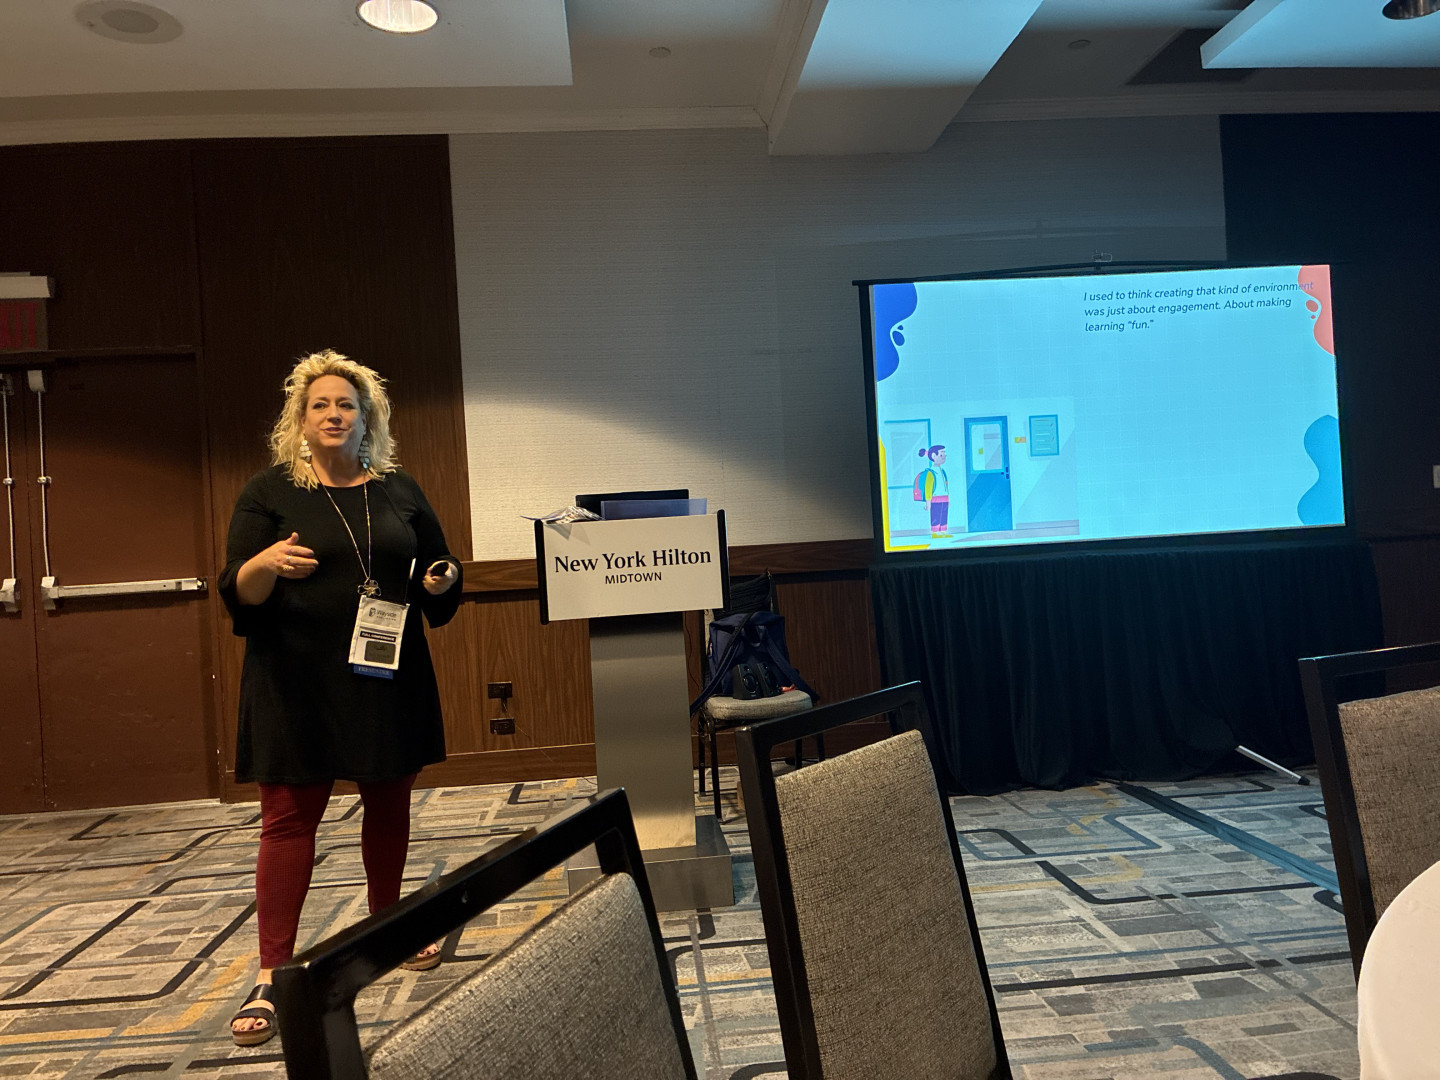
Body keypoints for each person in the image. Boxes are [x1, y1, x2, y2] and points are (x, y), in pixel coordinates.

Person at [219, 350, 463, 1046]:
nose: (334, 414)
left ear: (366, 419)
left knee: (388, 804)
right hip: (293, 684)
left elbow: (438, 565)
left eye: (346, 405)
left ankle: (388, 924)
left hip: (384, 675)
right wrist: (264, 563)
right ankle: (272, 971)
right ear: (300, 419)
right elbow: (237, 591)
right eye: (320, 404)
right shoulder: (269, 493)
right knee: (288, 822)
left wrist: (442, 579)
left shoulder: (397, 489)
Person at [915, 445, 950, 539]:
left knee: (943, 516)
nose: (944, 455)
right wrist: (928, 502)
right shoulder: (931, 472)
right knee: (935, 515)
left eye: (944, 453)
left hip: (944, 498)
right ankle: (935, 532)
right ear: (934, 456)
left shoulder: (942, 471)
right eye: (941, 454)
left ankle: (943, 531)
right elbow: (928, 488)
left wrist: (948, 499)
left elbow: (946, 486)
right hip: (935, 499)